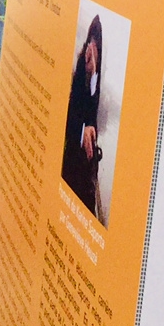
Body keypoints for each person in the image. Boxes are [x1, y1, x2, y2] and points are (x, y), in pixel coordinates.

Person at [61, 15, 102, 218]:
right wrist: (81, 130)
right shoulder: (76, 77)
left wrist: (90, 126)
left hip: (85, 163)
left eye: (93, 53)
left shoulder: (95, 80)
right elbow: (70, 112)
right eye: (88, 47)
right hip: (70, 159)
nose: (89, 55)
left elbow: (91, 110)